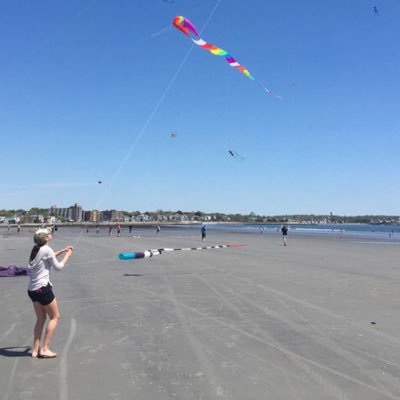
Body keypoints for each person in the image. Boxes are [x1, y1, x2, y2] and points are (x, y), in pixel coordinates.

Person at [26, 228, 73, 358]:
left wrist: (63, 250)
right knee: (55, 317)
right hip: (43, 290)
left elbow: (48, 257)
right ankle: (45, 349)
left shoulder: (36, 249)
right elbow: (58, 267)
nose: (50, 234)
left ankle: (35, 350)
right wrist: (67, 256)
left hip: (32, 290)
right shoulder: (46, 249)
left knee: (40, 319)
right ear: (46, 238)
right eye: (48, 234)